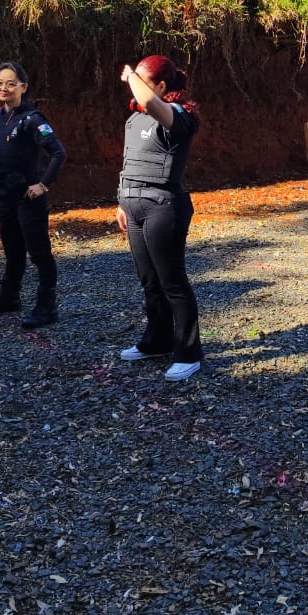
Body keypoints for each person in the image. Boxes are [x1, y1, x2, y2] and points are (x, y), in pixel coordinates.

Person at [115, 55, 204, 382]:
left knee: (172, 282)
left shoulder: (179, 115)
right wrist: (121, 201)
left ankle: (188, 351)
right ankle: (158, 341)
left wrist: (131, 76)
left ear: (161, 85)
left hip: (163, 205)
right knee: (149, 281)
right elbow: (130, 160)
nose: (131, 84)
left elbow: (153, 104)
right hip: (134, 203)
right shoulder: (135, 118)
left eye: (140, 78)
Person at [0, 62, 66, 329]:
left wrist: (43, 184)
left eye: (10, 83)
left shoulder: (32, 119)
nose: (3, 88)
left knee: (39, 252)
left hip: (28, 198)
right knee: (12, 249)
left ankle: (46, 306)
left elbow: (58, 153)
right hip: (5, 196)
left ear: (23, 87)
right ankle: (10, 296)